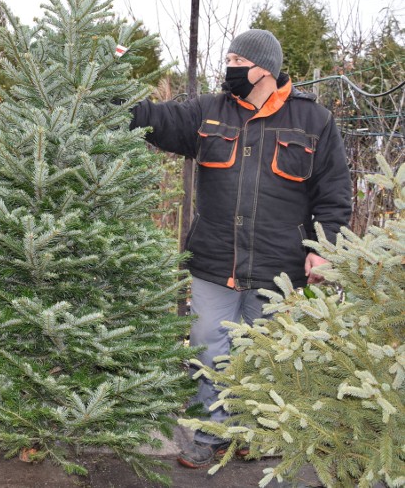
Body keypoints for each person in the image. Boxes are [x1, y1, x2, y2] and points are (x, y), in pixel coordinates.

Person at [129, 29, 352, 469]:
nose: (227, 66)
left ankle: (256, 432)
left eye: (235, 59)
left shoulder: (314, 121)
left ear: (262, 69)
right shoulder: (208, 111)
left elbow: (334, 193)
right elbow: (157, 119)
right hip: (214, 261)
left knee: (266, 354)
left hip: (279, 266)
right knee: (209, 347)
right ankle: (208, 435)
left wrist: (324, 248)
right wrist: (111, 93)